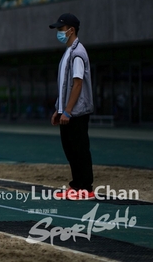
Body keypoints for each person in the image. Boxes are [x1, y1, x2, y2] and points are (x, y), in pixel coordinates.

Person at [49, 13, 95, 200]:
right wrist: (59, 110)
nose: (59, 32)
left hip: (76, 112)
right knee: (70, 149)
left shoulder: (77, 53)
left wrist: (67, 111)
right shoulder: (69, 52)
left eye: (61, 29)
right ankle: (76, 186)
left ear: (71, 30)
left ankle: (86, 188)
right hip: (67, 111)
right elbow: (64, 85)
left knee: (79, 149)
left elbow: (77, 84)